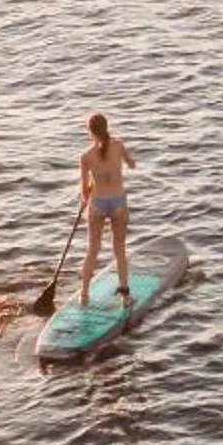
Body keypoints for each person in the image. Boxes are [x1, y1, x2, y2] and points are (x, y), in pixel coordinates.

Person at [78, 112, 139, 305]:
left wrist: (88, 191)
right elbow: (132, 164)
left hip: (97, 203)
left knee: (93, 249)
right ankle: (125, 296)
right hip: (118, 202)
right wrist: (128, 162)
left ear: (89, 132)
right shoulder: (118, 145)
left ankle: (84, 295)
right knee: (119, 249)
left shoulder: (86, 156)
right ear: (106, 127)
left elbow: (84, 192)